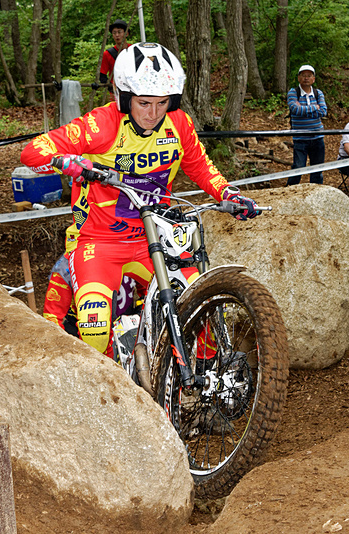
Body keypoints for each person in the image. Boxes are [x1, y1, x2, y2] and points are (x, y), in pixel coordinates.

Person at [21, 42, 260, 356]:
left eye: (162, 103)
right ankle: (110, 380)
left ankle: (200, 374)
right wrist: (67, 161)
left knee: (200, 306)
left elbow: (201, 166)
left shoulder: (179, 123)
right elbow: (32, 152)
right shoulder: (101, 124)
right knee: (94, 327)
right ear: (123, 97)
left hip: (156, 237)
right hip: (99, 241)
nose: (153, 113)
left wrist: (229, 194)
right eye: (144, 103)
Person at [287, 65, 327, 185]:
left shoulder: (318, 93)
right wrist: (314, 107)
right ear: (299, 78)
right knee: (298, 168)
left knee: (317, 169)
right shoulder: (293, 92)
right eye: (303, 75)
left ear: (313, 79)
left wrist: (304, 110)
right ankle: (289, 190)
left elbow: (323, 111)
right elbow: (295, 109)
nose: (306, 78)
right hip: (300, 138)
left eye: (309, 76)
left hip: (317, 137)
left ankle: (316, 191)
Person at [98, 19, 131, 87]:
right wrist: (111, 87)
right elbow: (102, 75)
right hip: (115, 89)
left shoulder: (133, 50)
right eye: (114, 33)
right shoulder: (107, 54)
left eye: (119, 32)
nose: (117, 35)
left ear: (126, 34)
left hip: (133, 88)